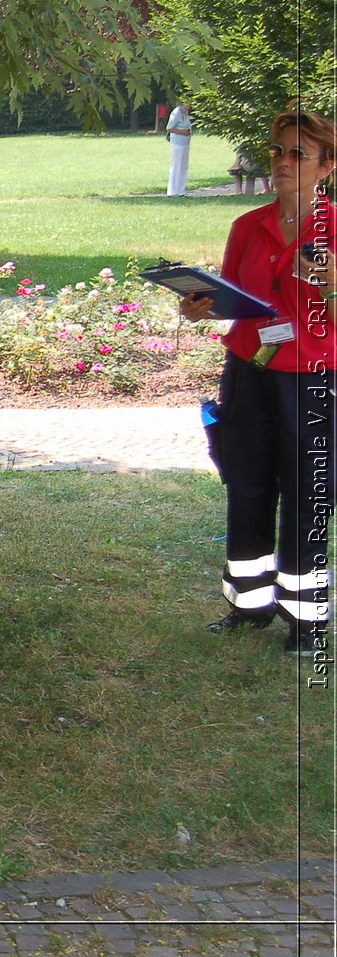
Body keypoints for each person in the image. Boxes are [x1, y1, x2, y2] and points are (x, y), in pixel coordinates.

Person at [181, 101, 335, 656]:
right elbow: (235, 301)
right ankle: (249, 605)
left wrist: (332, 285)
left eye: (299, 154)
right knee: (246, 485)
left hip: (311, 381)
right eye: (278, 151)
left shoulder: (335, 231)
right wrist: (203, 306)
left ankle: (307, 622)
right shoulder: (248, 226)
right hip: (247, 371)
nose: (284, 162)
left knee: (306, 495)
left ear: (326, 167)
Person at [166, 102, 193, 196]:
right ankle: (172, 191)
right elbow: (169, 128)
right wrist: (182, 132)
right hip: (177, 143)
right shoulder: (177, 112)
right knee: (176, 165)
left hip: (185, 143)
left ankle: (181, 190)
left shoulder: (185, 112)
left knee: (183, 166)